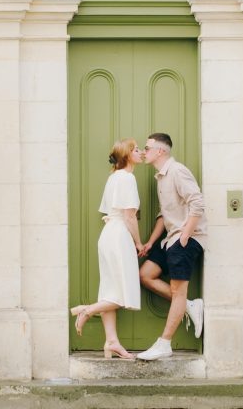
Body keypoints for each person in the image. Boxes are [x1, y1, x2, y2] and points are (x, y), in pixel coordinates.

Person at [70, 138, 146, 359]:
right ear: (127, 155)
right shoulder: (128, 178)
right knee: (124, 292)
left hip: (108, 234)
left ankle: (112, 342)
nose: (141, 152)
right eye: (136, 149)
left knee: (111, 289)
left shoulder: (114, 177)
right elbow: (130, 215)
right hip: (119, 235)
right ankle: (88, 310)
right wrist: (139, 243)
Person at [137, 132, 206, 361]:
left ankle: (164, 343)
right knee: (145, 275)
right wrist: (150, 242)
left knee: (178, 291)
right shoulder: (161, 177)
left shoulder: (177, 171)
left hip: (184, 238)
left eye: (147, 148)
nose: (144, 152)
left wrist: (185, 236)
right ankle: (189, 306)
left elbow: (197, 203)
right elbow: (162, 215)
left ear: (160, 151)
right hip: (169, 238)